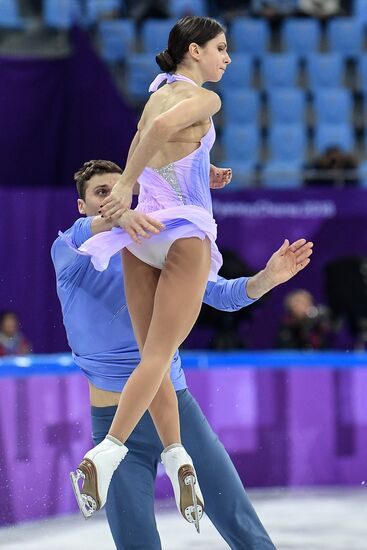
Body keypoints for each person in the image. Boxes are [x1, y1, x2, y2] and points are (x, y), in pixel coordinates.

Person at [68, 16, 313, 530]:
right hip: (181, 230)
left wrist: (203, 171)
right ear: (194, 51)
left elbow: (154, 139)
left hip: (142, 237)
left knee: (152, 358)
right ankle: (106, 454)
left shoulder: (156, 89)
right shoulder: (207, 99)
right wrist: (124, 191)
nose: (227, 58)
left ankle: (175, 459)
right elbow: (159, 135)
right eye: (221, 48)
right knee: (160, 355)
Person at [51, 158, 312, 549]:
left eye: (120, 191)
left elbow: (220, 294)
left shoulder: (154, 245)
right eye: (101, 193)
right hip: (113, 417)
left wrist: (267, 279)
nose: (113, 200)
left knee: (243, 527)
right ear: (82, 206)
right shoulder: (71, 250)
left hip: (176, 407)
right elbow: (96, 228)